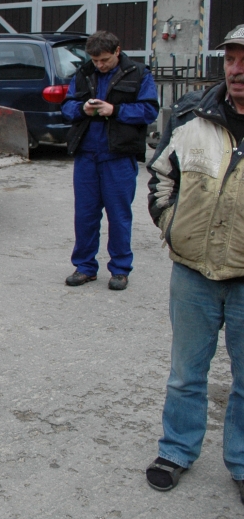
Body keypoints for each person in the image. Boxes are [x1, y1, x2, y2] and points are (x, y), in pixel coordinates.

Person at [145, 25, 244, 502]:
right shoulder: (192, 116)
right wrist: (171, 227)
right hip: (192, 273)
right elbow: (161, 177)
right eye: (231, 58)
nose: (237, 70)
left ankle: (241, 461)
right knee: (186, 372)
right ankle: (176, 450)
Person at [61, 30, 158, 290]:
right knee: (85, 215)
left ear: (117, 51)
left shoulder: (139, 74)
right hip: (87, 155)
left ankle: (120, 269)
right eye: (95, 61)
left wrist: (114, 110)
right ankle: (84, 267)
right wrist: (82, 108)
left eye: (104, 60)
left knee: (119, 215)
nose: (100, 65)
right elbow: (67, 107)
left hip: (119, 156)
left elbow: (149, 110)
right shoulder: (83, 73)